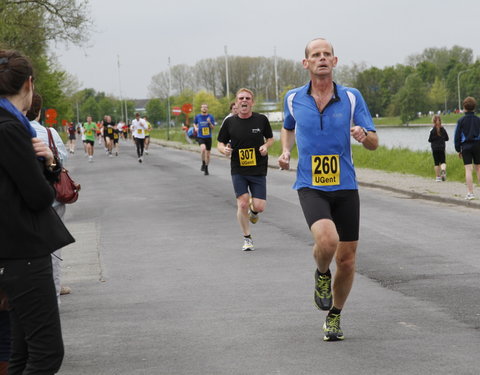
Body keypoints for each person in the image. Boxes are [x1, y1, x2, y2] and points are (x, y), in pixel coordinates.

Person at [278, 38, 378, 341]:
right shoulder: (294, 98)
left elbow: (374, 143)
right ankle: (322, 273)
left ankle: (334, 316)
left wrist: (363, 136)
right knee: (327, 240)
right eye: (315, 55)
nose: (321, 58)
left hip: (345, 186)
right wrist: (285, 151)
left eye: (327, 54)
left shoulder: (350, 97)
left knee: (347, 260)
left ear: (334, 62)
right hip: (311, 184)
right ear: (306, 63)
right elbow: (288, 126)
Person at [0, 49, 75, 374]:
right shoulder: (11, 129)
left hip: (11, 253)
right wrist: (47, 162)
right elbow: (39, 197)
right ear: (29, 84)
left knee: (22, 352)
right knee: (45, 353)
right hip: (25, 252)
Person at [27, 92, 71, 304]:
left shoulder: (12, 130)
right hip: (52, 197)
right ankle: (53, 294)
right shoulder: (49, 133)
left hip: (25, 199)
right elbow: (62, 159)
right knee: (54, 249)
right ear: (40, 110)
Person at [217, 88, 274, 251]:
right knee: (242, 203)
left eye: (247, 98)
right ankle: (247, 238)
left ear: (252, 102)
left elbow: (271, 139)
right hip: (238, 169)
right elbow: (220, 143)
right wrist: (224, 150)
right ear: (236, 102)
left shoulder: (261, 120)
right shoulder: (230, 122)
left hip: (258, 168)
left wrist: (265, 146)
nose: (244, 101)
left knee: (259, 206)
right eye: (241, 98)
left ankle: (254, 212)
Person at [454, 96, 480, 200]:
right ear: (474, 107)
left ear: (464, 107)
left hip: (466, 146)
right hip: (478, 145)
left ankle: (470, 193)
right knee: (478, 168)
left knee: (468, 169)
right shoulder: (478, 120)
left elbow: (457, 136)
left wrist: (458, 149)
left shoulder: (461, 120)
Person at [194, 103, 215, 175]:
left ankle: (206, 167)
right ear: (201, 109)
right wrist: (195, 127)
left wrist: (209, 123)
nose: (204, 109)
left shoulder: (210, 117)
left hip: (208, 137)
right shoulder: (198, 116)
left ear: (207, 109)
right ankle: (203, 163)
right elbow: (194, 123)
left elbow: (213, 127)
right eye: (203, 107)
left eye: (206, 107)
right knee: (203, 149)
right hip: (200, 136)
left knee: (208, 155)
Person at [428, 114, 449, 181]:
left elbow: (429, 140)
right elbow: (447, 138)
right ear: (440, 121)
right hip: (442, 147)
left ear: (433, 121)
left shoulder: (432, 130)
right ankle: (443, 170)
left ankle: (438, 178)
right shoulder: (443, 129)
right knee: (443, 161)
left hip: (434, 148)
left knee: (436, 163)